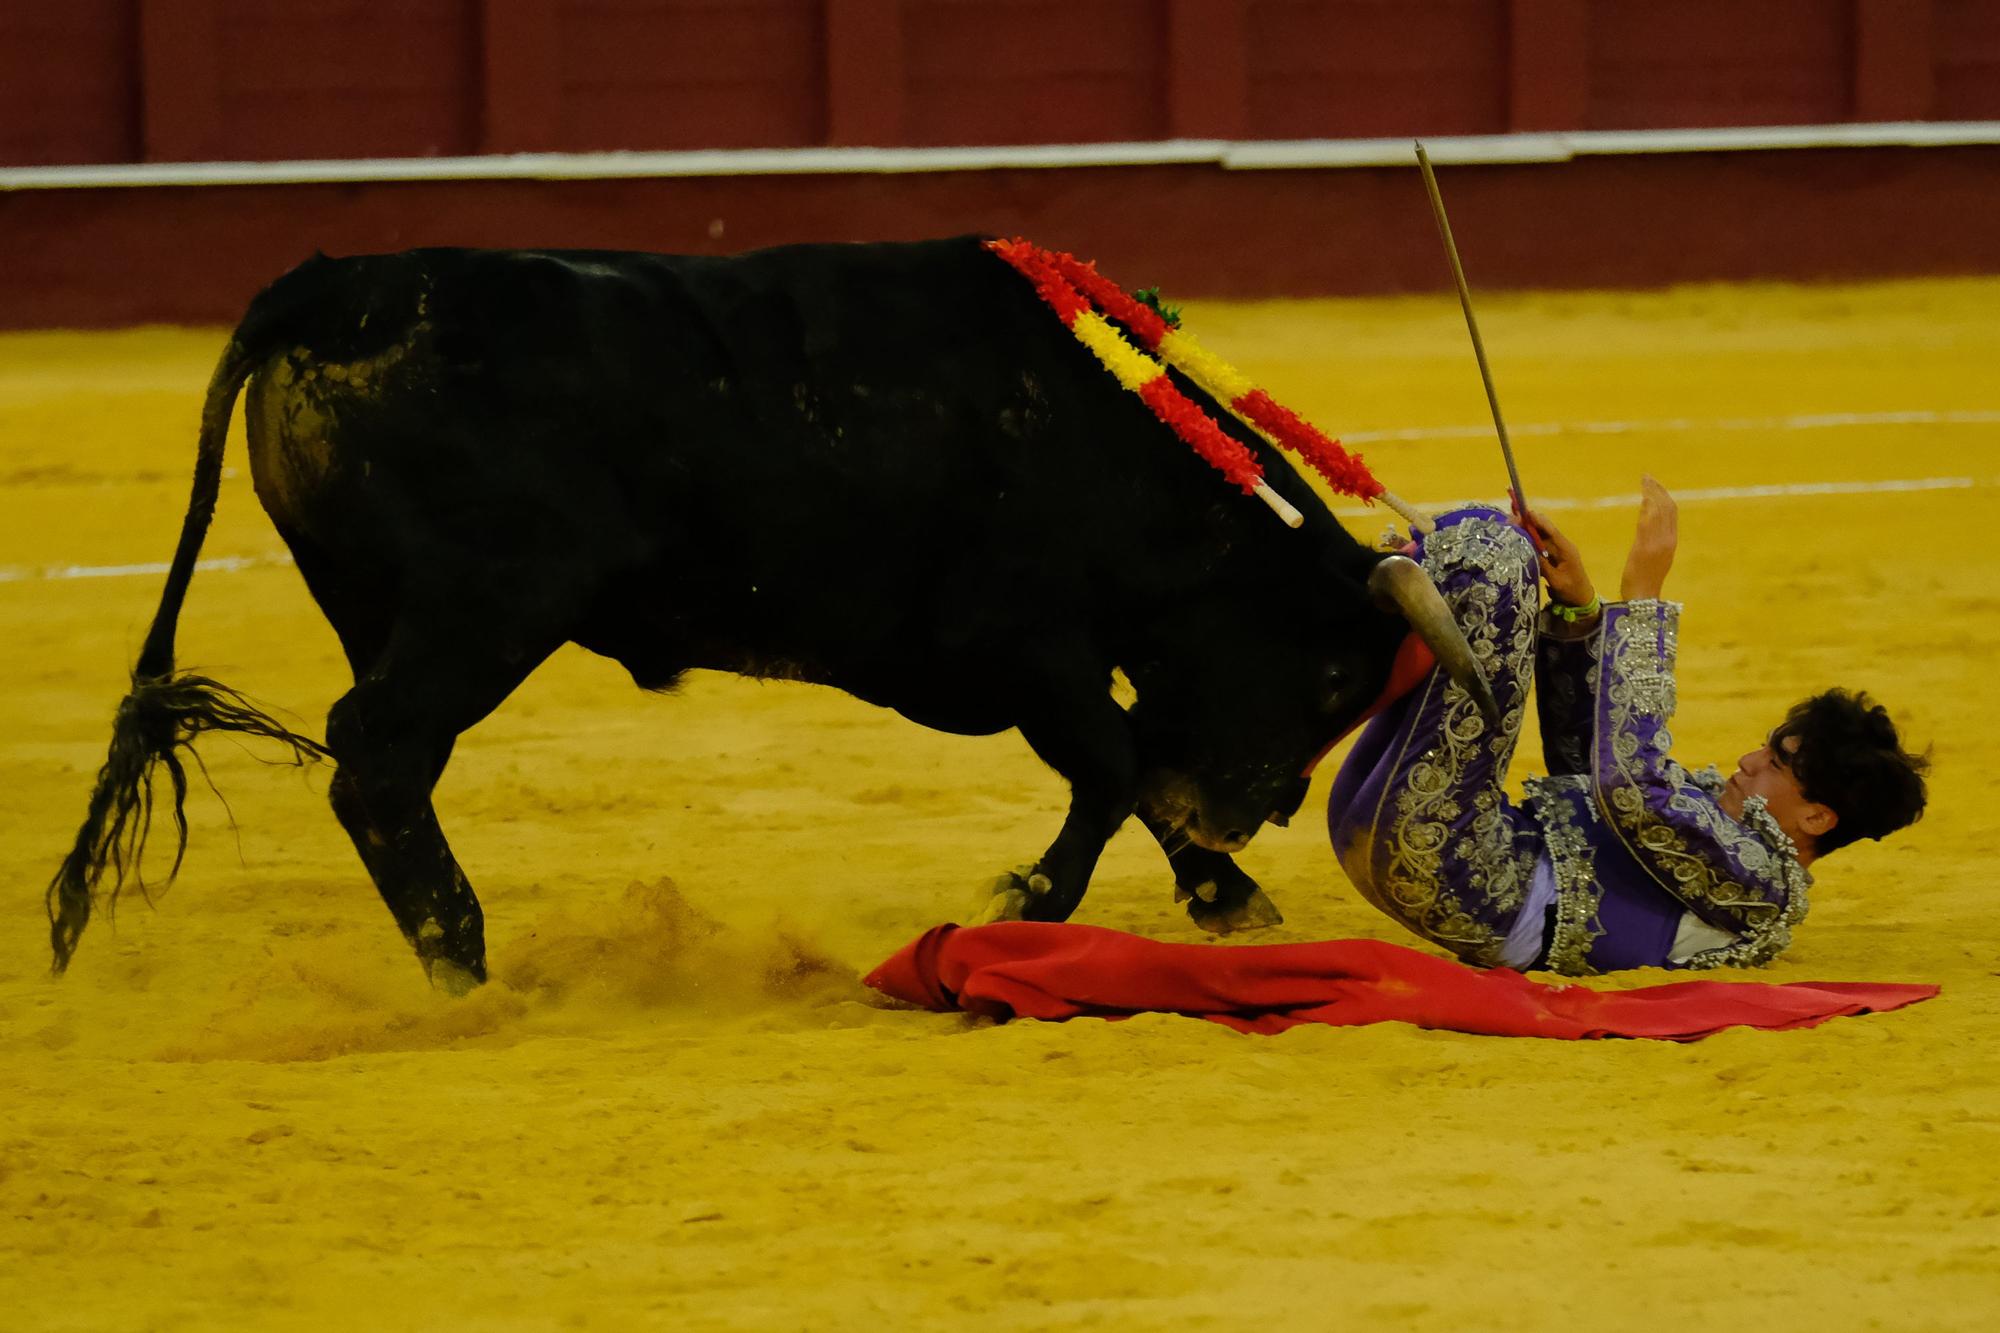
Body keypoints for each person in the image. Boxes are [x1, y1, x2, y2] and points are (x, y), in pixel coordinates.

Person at [1326, 477, 1929, 974]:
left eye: (1776, 765)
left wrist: (1642, 598)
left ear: (1818, 818)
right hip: (1420, 845)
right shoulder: (1714, 819)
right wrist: (1580, 609)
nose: (1748, 760)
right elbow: (1584, 763)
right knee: (1490, 547)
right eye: (1766, 748)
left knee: (1493, 558)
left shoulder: (1764, 888)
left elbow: (1631, 785)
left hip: (1453, 870)